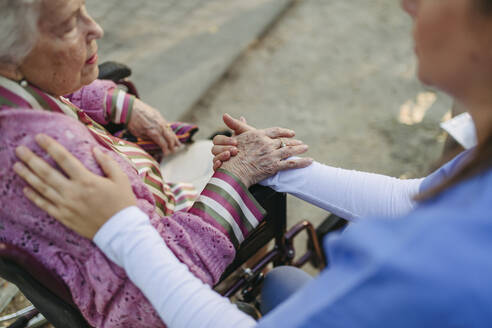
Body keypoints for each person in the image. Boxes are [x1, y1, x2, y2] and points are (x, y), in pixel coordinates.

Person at [12, 0, 492, 326]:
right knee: (283, 279)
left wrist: (122, 228)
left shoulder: (424, 267)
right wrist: (277, 167)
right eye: (69, 22)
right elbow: (416, 199)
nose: (407, 4)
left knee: (282, 284)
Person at [0, 0, 311, 327]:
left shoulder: (16, 95)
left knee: (225, 152)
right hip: (160, 256)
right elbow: (160, 282)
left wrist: (115, 101)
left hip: (135, 197)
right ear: (9, 60)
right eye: (67, 26)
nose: (96, 29)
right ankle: (246, 281)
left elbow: (44, 82)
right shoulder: (62, 158)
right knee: (255, 177)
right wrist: (240, 173)